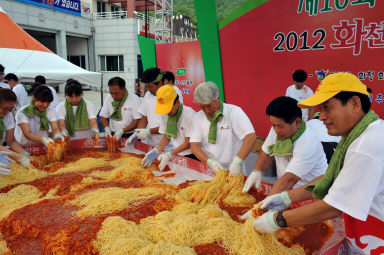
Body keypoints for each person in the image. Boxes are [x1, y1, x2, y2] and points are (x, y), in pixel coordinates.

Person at [249, 72, 384, 255]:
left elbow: (333, 206)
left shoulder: (365, 146)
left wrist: (277, 220)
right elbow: (334, 178)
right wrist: (286, 198)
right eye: (320, 109)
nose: (321, 117)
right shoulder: (360, 135)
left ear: (354, 104)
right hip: (365, 232)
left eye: (327, 108)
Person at [242, 96, 327, 196]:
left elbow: (288, 181)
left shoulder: (308, 144)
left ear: (297, 122)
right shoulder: (277, 130)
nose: (276, 130)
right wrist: (256, 171)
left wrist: (261, 208)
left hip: (310, 195)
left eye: (280, 126)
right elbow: (266, 153)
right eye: (273, 125)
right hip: (286, 190)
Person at [189, 82, 256, 176]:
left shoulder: (233, 112)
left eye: (209, 106)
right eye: (202, 107)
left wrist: (237, 161)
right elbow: (194, 146)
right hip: (210, 170)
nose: (207, 110)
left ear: (218, 98)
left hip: (233, 170)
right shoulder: (198, 117)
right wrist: (210, 162)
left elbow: (250, 137)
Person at [141, 85, 196, 170]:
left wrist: (170, 154)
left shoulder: (189, 115)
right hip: (177, 153)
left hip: (192, 155)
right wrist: (156, 150)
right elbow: (167, 136)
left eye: (168, 109)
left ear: (177, 102)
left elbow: (188, 143)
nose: (166, 113)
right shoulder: (165, 113)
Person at [125, 68, 165, 147]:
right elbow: (144, 117)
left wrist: (148, 131)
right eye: (147, 87)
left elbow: (169, 127)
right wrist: (137, 133)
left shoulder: (171, 96)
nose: (149, 90)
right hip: (150, 143)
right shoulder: (148, 95)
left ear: (160, 83)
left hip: (168, 146)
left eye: (150, 87)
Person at [99, 77, 141, 142]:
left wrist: (122, 131)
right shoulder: (109, 97)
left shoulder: (134, 99)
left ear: (124, 90)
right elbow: (103, 116)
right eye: (111, 93)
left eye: (116, 93)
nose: (113, 96)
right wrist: (107, 129)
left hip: (130, 135)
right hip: (113, 134)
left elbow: (138, 120)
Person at [0, 89, 30, 167]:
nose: (7, 112)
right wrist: (18, 157)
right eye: (4, 108)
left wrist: (25, 154)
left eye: (10, 109)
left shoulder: (8, 115)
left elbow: (11, 141)